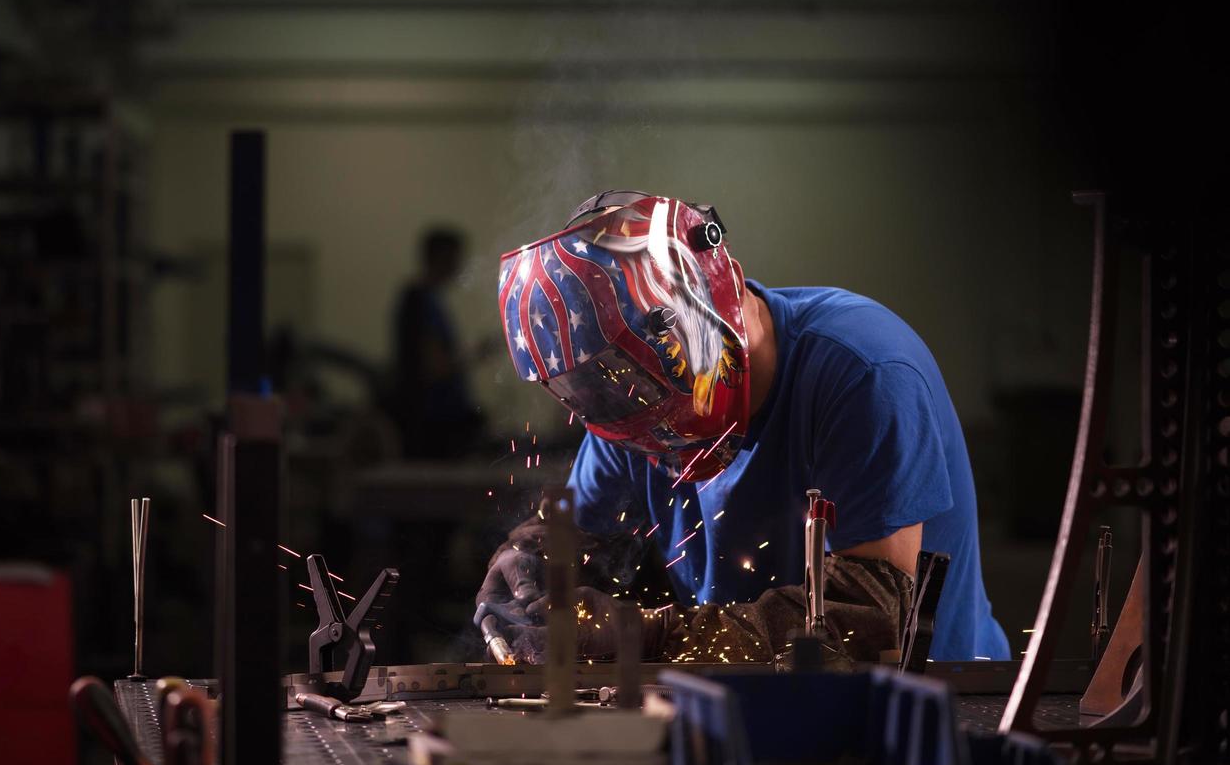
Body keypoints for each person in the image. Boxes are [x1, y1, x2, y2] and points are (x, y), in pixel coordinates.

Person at [474, 190, 1009, 664]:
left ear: (703, 310)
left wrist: (648, 635)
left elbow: (869, 622)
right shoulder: (630, 401)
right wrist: (533, 569)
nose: (645, 425)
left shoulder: (864, 373)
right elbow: (585, 542)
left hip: (934, 707)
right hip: (744, 702)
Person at [391, 227, 490, 458]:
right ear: (441, 258)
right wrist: (476, 353)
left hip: (437, 421)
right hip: (433, 425)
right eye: (455, 258)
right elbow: (434, 366)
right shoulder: (417, 300)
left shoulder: (429, 300)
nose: (459, 266)